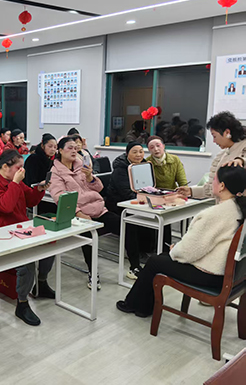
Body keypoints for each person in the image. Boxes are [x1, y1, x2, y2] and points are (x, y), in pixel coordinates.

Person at [117, 166, 246, 317]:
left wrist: (175, 250)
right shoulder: (238, 208)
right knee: (161, 258)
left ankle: (135, 305)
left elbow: (190, 251)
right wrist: (177, 250)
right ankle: (141, 307)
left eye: (215, 180)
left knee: (154, 262)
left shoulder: (215, 214)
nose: (212, 183)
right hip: (233, 274)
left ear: (222, 186)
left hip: (213, 275)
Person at [50, 137, 139, 288]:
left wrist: (90, 177)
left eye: (75, 148)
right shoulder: (56, 173)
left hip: (98, 209)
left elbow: (99, 188)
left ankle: (135, 267)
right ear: (60, 150)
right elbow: (60, 198)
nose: (74, 151)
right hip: (79, 214)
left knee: (128, 226)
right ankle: (93, 273)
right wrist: (78, 213)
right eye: (69, 148)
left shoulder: (82, 166)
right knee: (89, 235)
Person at [0, 150, 51, 326]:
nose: (22, 171)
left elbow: (31, 200)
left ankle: (41, 284)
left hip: (20, 230)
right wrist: (15, 183)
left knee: (49, 246)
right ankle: (22, 303)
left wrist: (39, 189)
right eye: (18, 167)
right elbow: (6, 206)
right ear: (5, 167)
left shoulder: (17, 183)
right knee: (27, 262)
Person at [178, 111, 246, 200]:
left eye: (214, 136)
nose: (214, 141)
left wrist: (241, 161)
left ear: (227, 132)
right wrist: (191, 191)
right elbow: (211, 189)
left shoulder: (243, 148)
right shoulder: (221, 155)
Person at [105, 141, 146, 278]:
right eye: (134, 152)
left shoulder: (144, 166)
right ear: (127, 153)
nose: (138, 155)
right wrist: (144, 199)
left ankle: (153, 251)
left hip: (136, 201)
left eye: (141, 151)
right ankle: (135, 264)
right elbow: (125, 193)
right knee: (132, 224)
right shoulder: (120, 169)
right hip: (118, 204)